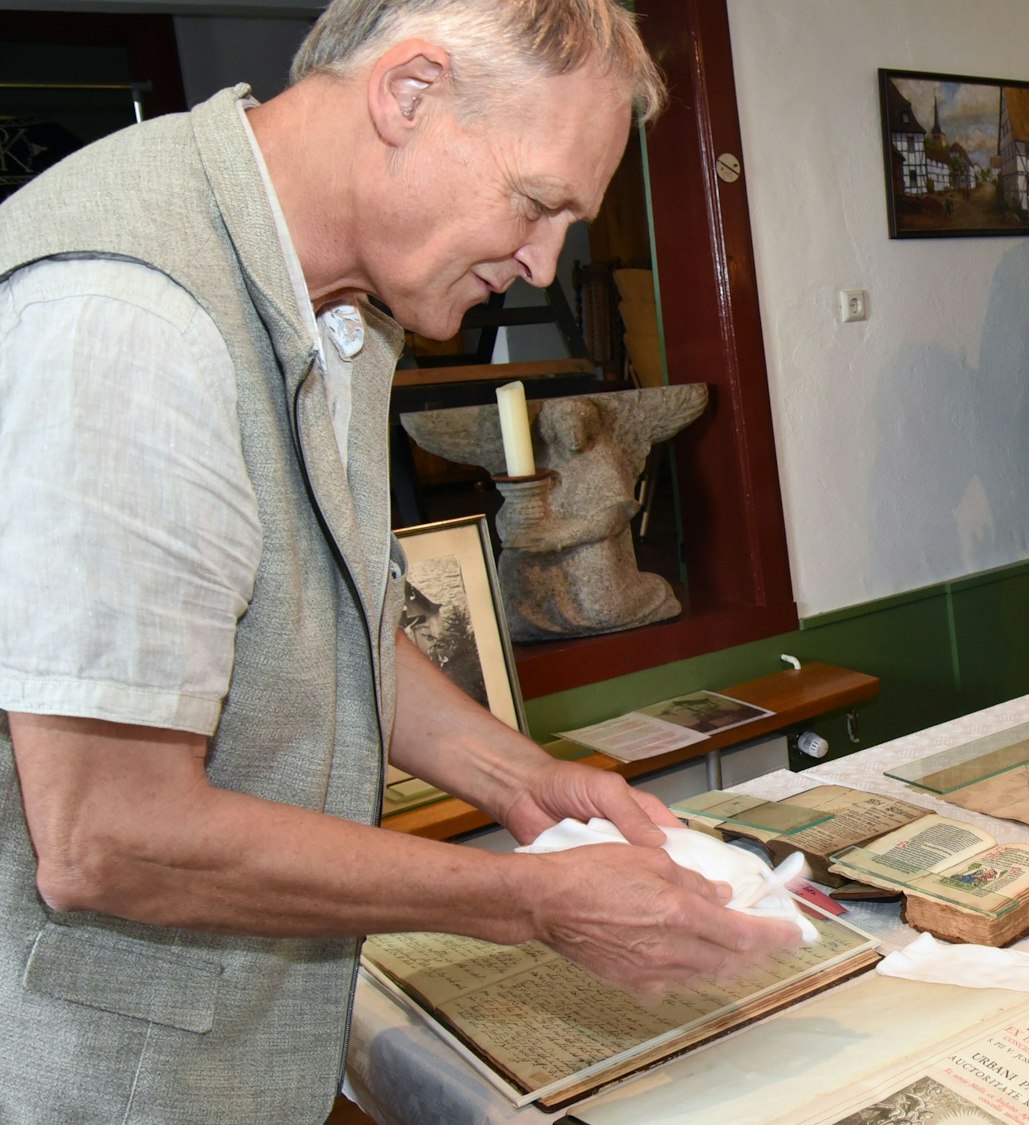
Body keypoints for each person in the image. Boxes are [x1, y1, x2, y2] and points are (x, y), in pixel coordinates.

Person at [0, 0, 799, 1118]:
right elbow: (108, 839)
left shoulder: (347, 299)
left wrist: (523, 780)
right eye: (534, 204)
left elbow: (335, 624)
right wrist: (531, 903)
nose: (538, 262)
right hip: (99, 1079)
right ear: (408, 93)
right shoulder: (130, 321)